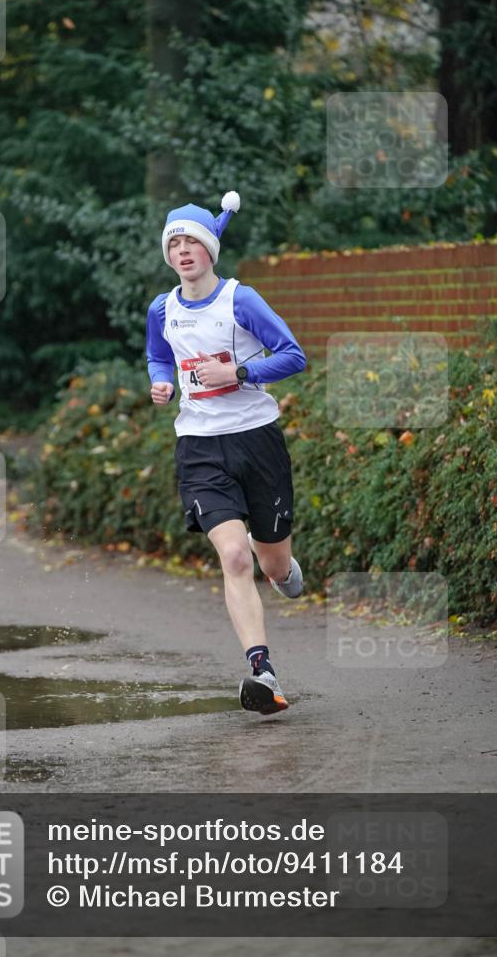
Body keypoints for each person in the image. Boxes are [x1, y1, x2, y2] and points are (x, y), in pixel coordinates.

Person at [146, 191, 307, 716]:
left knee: (270, 560)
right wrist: (162, 382)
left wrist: (238, 372)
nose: (184, 250)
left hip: (257, 439)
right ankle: (263, 672)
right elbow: (157, 354)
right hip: (198, 447)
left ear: (210, 249)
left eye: (193, 240)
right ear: (168, 255)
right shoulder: (162, 309)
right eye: (175, 243)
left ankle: (283, 572)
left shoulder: (241, 300)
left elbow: (293, 356)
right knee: (234, 556)